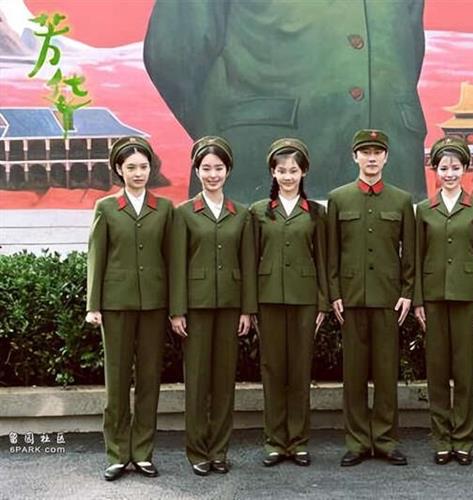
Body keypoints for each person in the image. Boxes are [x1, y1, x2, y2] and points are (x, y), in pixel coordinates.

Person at [144, 0, 427, 202]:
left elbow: (406, 51)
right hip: (261, 171)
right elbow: (173, 54)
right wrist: (230, 125)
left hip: (392, 169)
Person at [85, 136, 173, 481]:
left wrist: (175, 306)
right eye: (131, 167)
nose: (138, 173)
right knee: (117, 380)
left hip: (154, 303)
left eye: (144, 166)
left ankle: (143, 452)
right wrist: (93, 305)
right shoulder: (106, 207)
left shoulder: (164, 208)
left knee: (150, 379)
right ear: (119, 170)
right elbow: (97, 257)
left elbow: (172, 258)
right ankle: (118, 453)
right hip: (115, 303)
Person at [327, 129, 415, 467]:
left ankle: (385, 440)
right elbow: (332, 252)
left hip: (388, 299)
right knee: (354, 375)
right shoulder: (339, 198)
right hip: (350, 299)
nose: (372, 157)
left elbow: (410, 253)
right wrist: (335, 292)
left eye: (378, 152)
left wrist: (407, 292)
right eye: (365, 152)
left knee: (386, 373)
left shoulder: (401, 200)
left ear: (386, 157)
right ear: (355, 157)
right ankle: (357, 441)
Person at [169, 136, 255, 476]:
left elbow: (248, 265)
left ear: (228, 170)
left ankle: (219, 450)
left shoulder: (241, 213)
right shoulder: (184, 213)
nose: (213, 174)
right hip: (196, 307)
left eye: (218, 168)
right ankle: (197, 451)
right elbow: (177, 265)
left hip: (231, 307)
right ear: (197, 171)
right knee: (197, 381)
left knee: (224, 381)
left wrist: (247, 309)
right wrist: (177, 310)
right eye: (206, 168)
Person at [249, 138, 328, 467]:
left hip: (304, 299)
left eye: (293, 170)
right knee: (272, 369)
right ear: (273, 172)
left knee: (299, 369)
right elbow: (251, 261)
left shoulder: (316, 212)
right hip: (268, 299)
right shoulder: (258, 212)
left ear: (304, 172)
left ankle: (298, 441)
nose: (287, 176)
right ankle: (274, 441)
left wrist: (322, 303)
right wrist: (250, 306)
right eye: (281, 171)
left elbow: (323, 259)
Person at [414, 137, 473, 466]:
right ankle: (441, 439)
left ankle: (463, 439)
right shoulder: (424, 209)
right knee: (436, 370)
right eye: (443, 167)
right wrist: (418, 300)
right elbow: (416, 258)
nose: (449, 173)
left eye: (455, 167)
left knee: (464, 370)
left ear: (465, 169)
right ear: (435, 170)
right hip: (432, 297)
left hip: (466, 297)